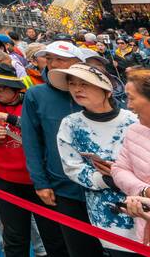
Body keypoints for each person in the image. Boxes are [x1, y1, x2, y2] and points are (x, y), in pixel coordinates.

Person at [0, 65, 67, 257]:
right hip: (6, 180)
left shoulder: (32, 100)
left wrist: (9, 118)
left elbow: (48, 131)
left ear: (15, 87)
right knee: (14, 236)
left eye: (1, 87)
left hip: (41, 180)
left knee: (54, 234)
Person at [21, 40, 107, 257]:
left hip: (104, 184)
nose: (53, 64)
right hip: (63, 186)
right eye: (49, 59)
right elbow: (31, 141)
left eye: (61, 59)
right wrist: (40, 182)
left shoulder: (95, 90)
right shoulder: (36, 95)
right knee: (77, 248)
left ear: (79, 62)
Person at [54, 63, 137, 253]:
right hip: (105, 213)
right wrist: (106, 179)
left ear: (107, 90)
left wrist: (126, 177)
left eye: (85, 83)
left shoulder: (133, 119)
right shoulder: (71, 124)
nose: (77, 89)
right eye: (72, 83)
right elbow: (72, 166)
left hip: (140, 205)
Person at [114, 68, 150, 246]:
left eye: (132, 97)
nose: (128, 105)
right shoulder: (134, 131)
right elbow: (119, 169)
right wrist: (143, 191)